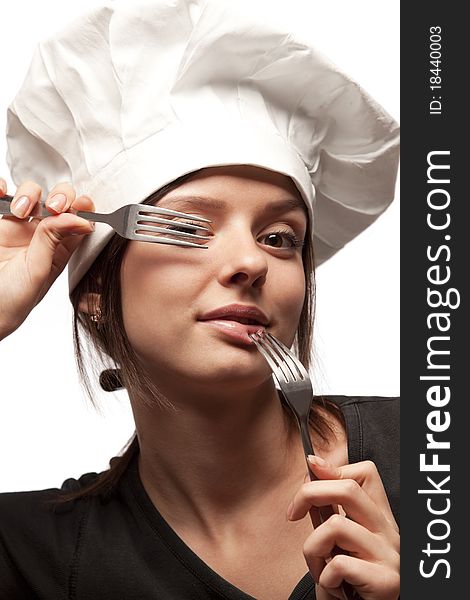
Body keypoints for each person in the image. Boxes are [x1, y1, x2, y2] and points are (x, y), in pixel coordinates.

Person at [0, 1, 400, 599]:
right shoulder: (37, 557)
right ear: (97, 290)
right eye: (189, 228)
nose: (249, 262)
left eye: (279, 238)